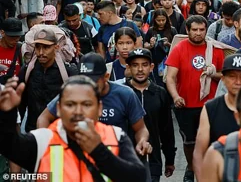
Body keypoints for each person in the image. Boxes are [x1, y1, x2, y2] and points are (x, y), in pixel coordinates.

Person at [0, 75, 147, 181]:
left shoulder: (116, 136)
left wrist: (98, 151)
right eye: (70, 105)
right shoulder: (42, 141)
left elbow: (138, 176)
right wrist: (7, 113)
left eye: (87, 105)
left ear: (99, 108)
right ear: (58, 108)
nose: (78, 111)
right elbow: (8, 145)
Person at [165, 15, 225, 182]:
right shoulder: (179, 48)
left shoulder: (216, 50)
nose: (198, 33)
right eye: (194, 30)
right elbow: (170, 77)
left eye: (201, 30)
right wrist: (176, 96)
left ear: (206, 30)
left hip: (211, 105)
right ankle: (191, 168)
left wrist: (214, 74)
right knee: (189, 141)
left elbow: (226, 76)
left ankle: (210, 170)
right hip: (186, 105)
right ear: (187, 30)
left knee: (212, 140)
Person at [193, 54, 241, 180]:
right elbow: (199, 153)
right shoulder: (211, 108)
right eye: (232, 76)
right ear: (223, 79)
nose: (238, 82)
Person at [125, 48, 176, 182]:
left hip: (152, 161)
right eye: (135, 65)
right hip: (125, 160)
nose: (140, 69)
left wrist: (170, 159)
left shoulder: (160, 93)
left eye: (145, 65)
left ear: (151, 67)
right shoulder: (122, 93)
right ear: (128, 68)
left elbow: (167, 130)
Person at [18, 28, 78, 132]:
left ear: (56, 47)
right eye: (38, 47)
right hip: (32, 131)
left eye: (46, 47)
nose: (41, 52)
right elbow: (21, 104)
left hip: (59, 132)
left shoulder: (68, 72)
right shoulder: (27, 71)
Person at [144, 9, 177, 87]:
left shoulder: (172, 30)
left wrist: (168, 44)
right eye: (159, 20)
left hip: (169, 62)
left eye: (163, 20)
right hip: (155, 62)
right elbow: (145, 44)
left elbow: (177, 45)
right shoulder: (151, 30)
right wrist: (151, 45)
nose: (161, 22)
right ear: (155, 20)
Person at [0, 18, 24, 85]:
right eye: (12, 36)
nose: (16, 39)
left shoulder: (21, 49)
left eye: (18, 36)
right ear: (2, 33)